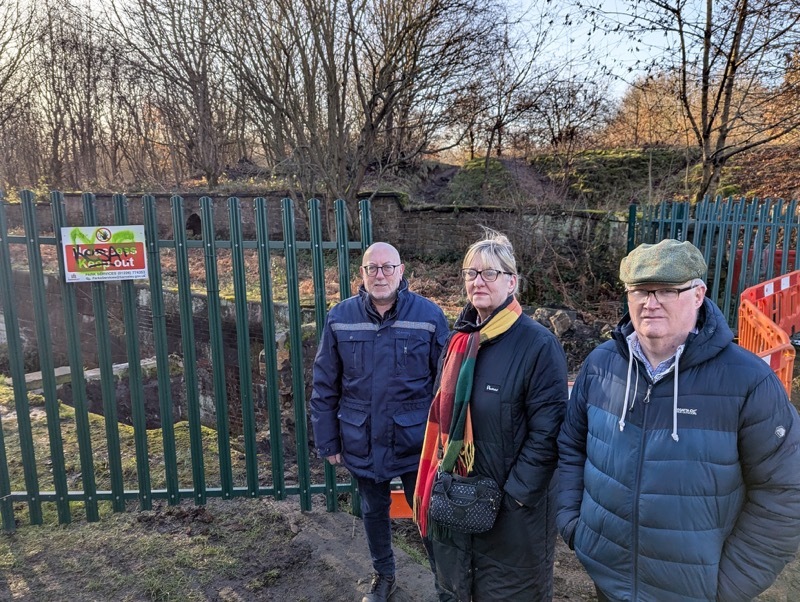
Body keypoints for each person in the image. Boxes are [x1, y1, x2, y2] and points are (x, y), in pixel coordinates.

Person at [557, 239, 800, 602]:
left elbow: (784, 492)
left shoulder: (748, 382)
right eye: (639, 290)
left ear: (698, 294)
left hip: (695, 591)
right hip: (608, 577)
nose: (650, 303)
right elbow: (572, 448)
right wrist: (576, 527)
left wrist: (729, 585)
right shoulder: (600, 366)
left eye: (667, 291)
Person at [414, 229, 568, 601]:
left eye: (490, 273)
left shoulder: (537, 345)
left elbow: (549, 433)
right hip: (456, 503)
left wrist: (512, 498)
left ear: (512, 281)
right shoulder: (459, 343)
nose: (478, 281)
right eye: (471, 273)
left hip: (513, 520)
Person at [310, 241, 449, 602]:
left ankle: (445, 582)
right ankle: (383, 574)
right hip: (361, 436)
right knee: (373, 510)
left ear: (401, 271)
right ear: (363, 274)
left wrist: (444, 440)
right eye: (372, 268)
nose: (380, 275)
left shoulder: (429, 316)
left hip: (415, 441)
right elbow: (325, 382)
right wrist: (328, 441)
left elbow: (444, 384)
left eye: (388, 267)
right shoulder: (340, 317)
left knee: (428, 513)